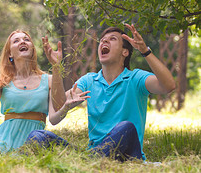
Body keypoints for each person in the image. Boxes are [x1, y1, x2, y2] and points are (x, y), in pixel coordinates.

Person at [26, 24, 176, 161]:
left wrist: (145, 51)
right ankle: (90, 161)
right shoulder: (89, 80)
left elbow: (168, 85)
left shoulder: (135, 78)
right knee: (37, 136)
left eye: (112, 39)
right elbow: (57, 107)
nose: (104, 42)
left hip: (127, 155)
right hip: (93, 154)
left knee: (126, 127)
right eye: (102, 40)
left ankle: (86, 162)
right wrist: (56, 67)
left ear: (125, 52)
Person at [0, 29, 89, 153]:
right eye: (16, 41)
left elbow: (54, 119)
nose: (22, 42)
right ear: (10, 54)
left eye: (26, 40)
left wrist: (56, 67)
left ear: (32, 50)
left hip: (34, 138)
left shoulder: (48, 80)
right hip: (3, 138)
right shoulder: (3, 80)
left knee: (22, 156)